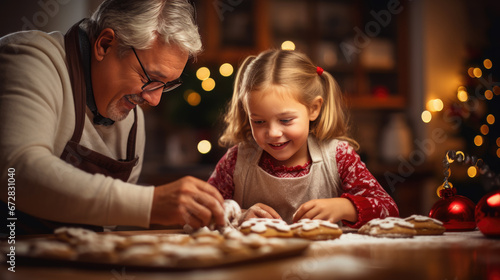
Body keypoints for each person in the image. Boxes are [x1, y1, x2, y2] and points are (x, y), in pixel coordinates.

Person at [0, 0, 225, 235]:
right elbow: (16, 171)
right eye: (150, 78)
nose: (154, 100)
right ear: (105, 45)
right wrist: (149, 203)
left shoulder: (132, 119)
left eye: (165, 86)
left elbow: (106, 229)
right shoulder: (30, 60)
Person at [208, 49, 399, 227]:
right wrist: (240, 216)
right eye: (258, 122)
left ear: (313, 109)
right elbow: (203, 210)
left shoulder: (339, 156)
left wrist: (345, 207)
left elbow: (389, 210)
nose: (273, 132)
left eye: (285, 120)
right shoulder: (236, 160)